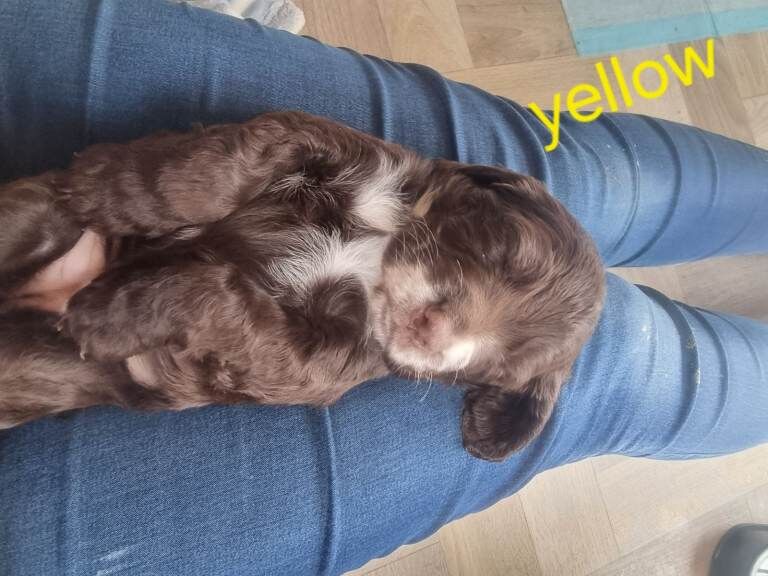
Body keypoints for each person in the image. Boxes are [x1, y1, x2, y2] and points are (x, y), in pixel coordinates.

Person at [0, 1, 766, 574]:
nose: (450, 330)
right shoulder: (394, 176)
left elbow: (281, 367)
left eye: (483, 361)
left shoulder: (357, 353)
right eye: (498, 254)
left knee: (22, 373)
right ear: (476, 190)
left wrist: (182, 300)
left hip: (108, 354)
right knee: (606, 187)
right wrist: (143, 194)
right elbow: (279, 142)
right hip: (93, 230)